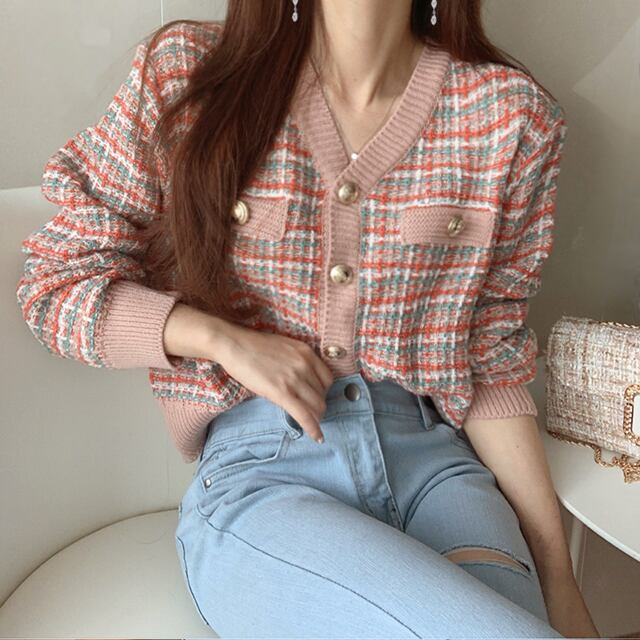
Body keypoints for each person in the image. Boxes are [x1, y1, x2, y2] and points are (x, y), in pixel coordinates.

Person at [15, 0, 600, 637]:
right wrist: (223, 341)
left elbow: (490, 358)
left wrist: (559, 579)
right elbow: (55, 286)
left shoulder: (509, 117)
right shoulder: (188, 77)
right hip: (264, 477)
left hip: (439, 472)